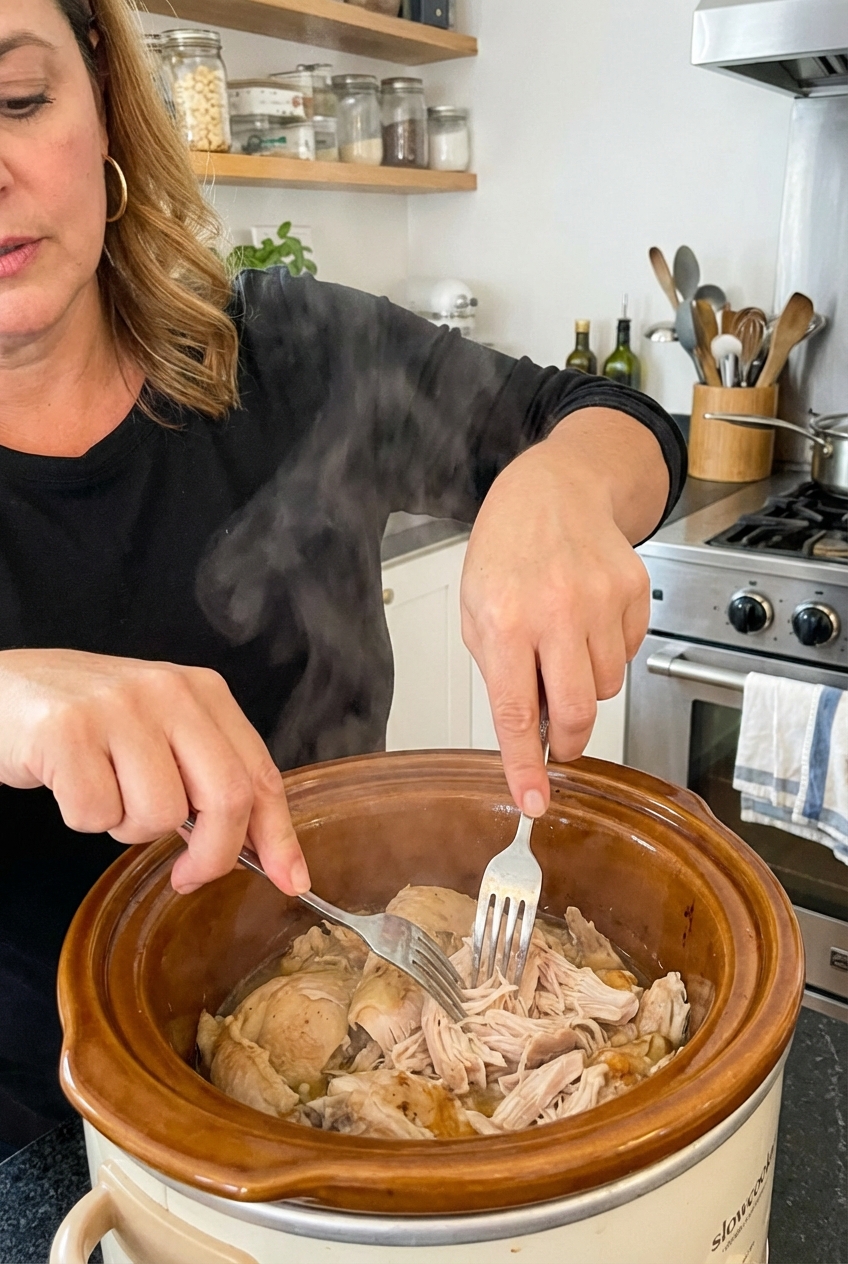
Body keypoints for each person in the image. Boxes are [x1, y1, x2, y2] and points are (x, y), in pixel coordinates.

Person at [0, 0, 685, 1157]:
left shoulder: (291, 355)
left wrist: (561, 483)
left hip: (361, 1053)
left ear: (109, 105)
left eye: (17, 102)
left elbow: (606, 419)